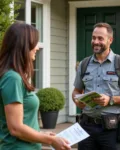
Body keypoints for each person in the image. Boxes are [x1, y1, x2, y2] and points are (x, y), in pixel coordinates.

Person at [0, 22, 71, 150]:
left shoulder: (15, 76)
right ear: (23, 46)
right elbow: (16, 128)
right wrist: (51, 140)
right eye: (34, 43)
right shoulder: (12, 78)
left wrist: (41, 134)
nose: (37, 48)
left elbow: (24, 122)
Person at [72, 22, 120, 150]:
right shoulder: (84, 64)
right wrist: (77, 100)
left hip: (111, 129)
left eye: (100, 38)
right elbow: (76, 91)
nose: (95, 41)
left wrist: (111, 100)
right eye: (93, 38)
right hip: (86, 127)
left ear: (110, 40)